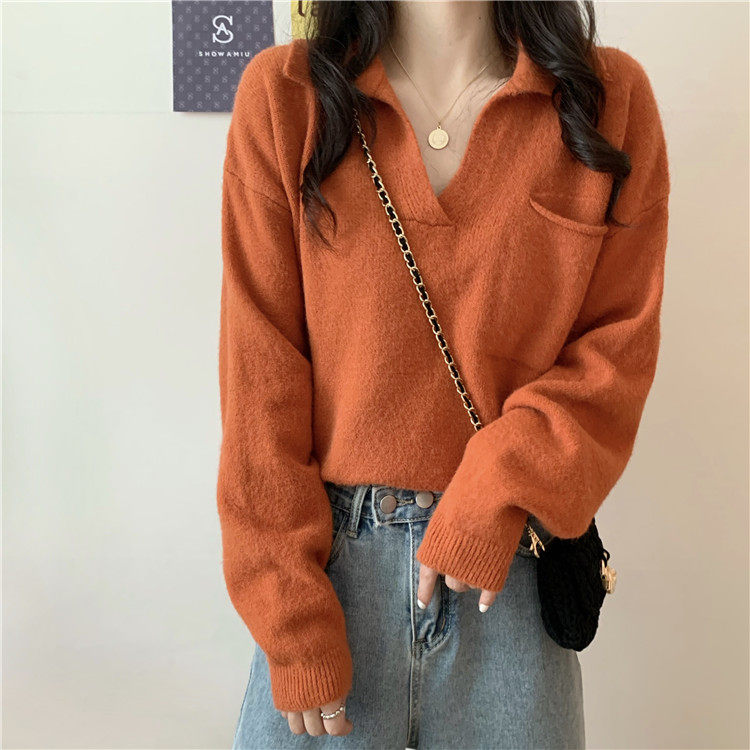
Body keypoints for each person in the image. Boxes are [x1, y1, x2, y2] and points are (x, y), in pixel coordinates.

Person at [217, 1, 670, 747]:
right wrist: (290, 619)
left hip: (510, 587)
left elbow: (615, 358)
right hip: (331, 581)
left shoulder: (607, 103)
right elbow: (259, 383)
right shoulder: (289, 97)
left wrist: (499, 485)